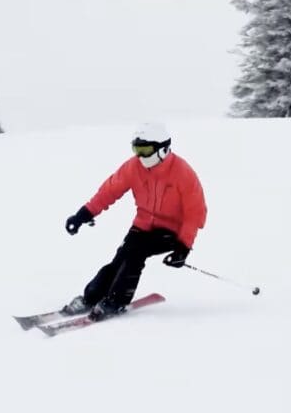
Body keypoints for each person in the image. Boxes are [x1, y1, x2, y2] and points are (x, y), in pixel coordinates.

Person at [62, 123, 207, 321]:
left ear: (162, 149)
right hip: (143, 225)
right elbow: (109, 191)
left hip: (171, 231)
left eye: (145, 150)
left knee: (135, 255)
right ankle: (90, 298)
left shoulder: (182, 172)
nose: (140, 156)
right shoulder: (133, 167)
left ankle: (116, 301)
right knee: (120, 257)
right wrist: (84, 214)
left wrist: (183, 247)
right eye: (136, 149)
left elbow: (195, 212)